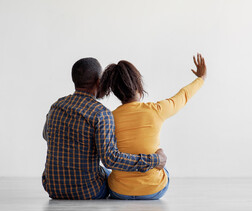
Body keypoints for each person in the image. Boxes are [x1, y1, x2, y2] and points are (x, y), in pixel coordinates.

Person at [42, 57, 167, 200]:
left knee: (104, 171)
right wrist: (155, 160)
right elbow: (110, 159)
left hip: (51, 187)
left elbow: (46, 135)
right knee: (113, 177)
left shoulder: (56, 106)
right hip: (88, 191)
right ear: (98, 82)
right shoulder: (101, 113)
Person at [98, 53, 207, 200]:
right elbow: (183, 96)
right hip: (154, 190)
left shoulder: (108, 117)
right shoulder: (156, 110)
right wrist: (201, 78)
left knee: (107, 171)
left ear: (115, 92)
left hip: (120, 192)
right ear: (138, 84)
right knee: (163, 164)